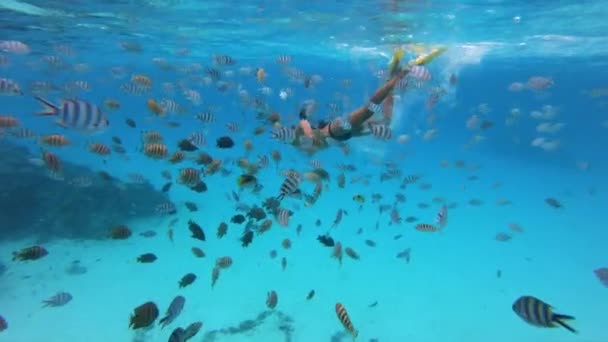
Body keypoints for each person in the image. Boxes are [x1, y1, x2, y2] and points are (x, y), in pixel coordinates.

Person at [292, 47, 445, 153]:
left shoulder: (297, 138)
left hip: (337, 128)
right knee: (386, 122)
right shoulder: (305, 148)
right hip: (344, 134)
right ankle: (392, 74)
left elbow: (302, 123)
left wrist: (309, 134)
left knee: (369, 109)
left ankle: (402, 74)